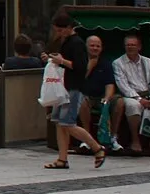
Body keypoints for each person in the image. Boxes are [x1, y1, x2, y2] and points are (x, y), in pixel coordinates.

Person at [43, 18, 104, 170]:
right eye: (57, 30)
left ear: (69, 27)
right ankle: (62, 159)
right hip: (64, 87)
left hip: (74, 87)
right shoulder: (65, 42)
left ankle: (97, 148)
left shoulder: (77, 43)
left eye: (61, 30)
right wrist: (52, 59)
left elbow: (80, 67)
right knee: (59, 122)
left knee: (68, 123)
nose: (59, 33)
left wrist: (62, 61)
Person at [112, 33, 150, 156]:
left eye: (133, 45)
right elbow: (123, 86)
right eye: (128, 45)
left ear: (139, 47)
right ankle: (135, 140)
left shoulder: (148, 62)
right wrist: (140, 99)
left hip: (149, 96)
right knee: (133, 106)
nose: (130, 47)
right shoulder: (118, 63)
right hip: (132, 96)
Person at [79, 33, 116, 153]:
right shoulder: (80, 60)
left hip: (101, 97)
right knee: (82, 102)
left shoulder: (106, 63)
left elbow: (110, 84)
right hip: (86, 96)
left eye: (98, 46)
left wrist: (107, 98)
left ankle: (113, 137)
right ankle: (87, 138)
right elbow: (79, 80)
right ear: (86, 47)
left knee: (119, 102)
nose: (95, 48)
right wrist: (90, 66)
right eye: (92, 46)